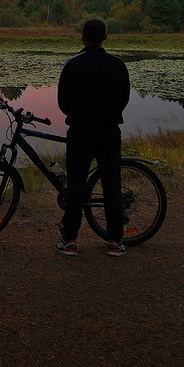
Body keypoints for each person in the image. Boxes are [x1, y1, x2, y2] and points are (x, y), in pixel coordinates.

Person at [55, 18, 130, 257]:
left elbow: (63, 103)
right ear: (105, 37)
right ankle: (115, 241)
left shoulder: (72, 65)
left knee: (76, 184)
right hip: (109, 131)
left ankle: (70, 240)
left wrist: (79, 114)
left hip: (80, 132)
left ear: (82, 37)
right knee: (111, 184)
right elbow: (123, 99)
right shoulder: (117, 65)